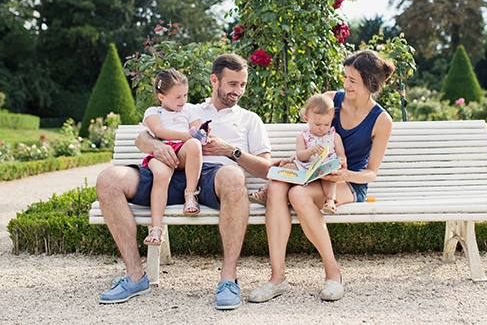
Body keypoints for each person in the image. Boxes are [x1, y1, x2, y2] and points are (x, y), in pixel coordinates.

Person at [95, 53, 271, 309]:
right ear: (214, 80)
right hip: (169, 171)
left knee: (234, 175)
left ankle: (228, 279)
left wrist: (230, 151)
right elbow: (141, 138)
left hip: (214, 178)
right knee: (108, 179)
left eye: (243, 84)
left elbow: (267, 169)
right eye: (233, 84)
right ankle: (135, 275)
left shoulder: (249, 119)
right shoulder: (188, 108)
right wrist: (156, 146)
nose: (238, 91)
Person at [249, 49, 395, 304]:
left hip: (347, 183)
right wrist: (295, 160)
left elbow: (371, 173)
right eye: (346, 77)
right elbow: (311, 136)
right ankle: (277, 278)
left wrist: (344, 174)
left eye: (352, 80)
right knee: (277, 186)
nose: (345, 84)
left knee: (297, 194)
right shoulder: (330, 100)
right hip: (312, 174)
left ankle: (333, 273)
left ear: (370, 83)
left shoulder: (381, 120)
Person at [249, 93, 346, 214]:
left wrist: (341, 161)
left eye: (327, 124)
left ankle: (330, 201)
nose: (322, 128)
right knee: (282, 168)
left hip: (324, 169)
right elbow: (300, 156)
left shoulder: (334, 136)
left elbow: (341, 154)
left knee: (330, 180)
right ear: (306, 119)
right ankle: (264, 191)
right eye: (317, 124)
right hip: (304, 167)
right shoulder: (303, 136)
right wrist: (310, 151)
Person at [141, 68, 204, 246]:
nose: (183, 100)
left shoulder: (189, 110)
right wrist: (182, 135)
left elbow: (195, 130)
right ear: (161, 97)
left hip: (182, 150)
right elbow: (158, 131)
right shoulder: (153, 112)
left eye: (185, 95)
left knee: (194, 144)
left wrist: (199, 134)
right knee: (160, 176)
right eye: (178, 97)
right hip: (161, 150)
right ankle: (156, 228)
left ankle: (190, 195)